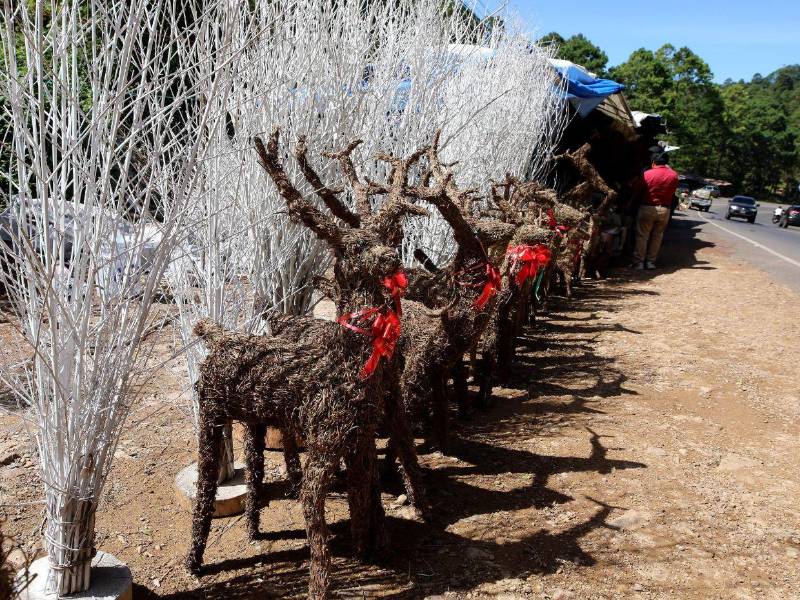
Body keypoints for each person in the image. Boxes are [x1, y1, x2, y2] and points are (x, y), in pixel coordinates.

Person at [632, 152, 679, 270]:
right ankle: (650, 262)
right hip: (664, 210)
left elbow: (637, 190)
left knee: (643, 235)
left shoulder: (647, 174)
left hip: (647, 207)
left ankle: (639, 263)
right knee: (657, 236)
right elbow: (673, 193)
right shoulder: (674, 175)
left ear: (653, 162)